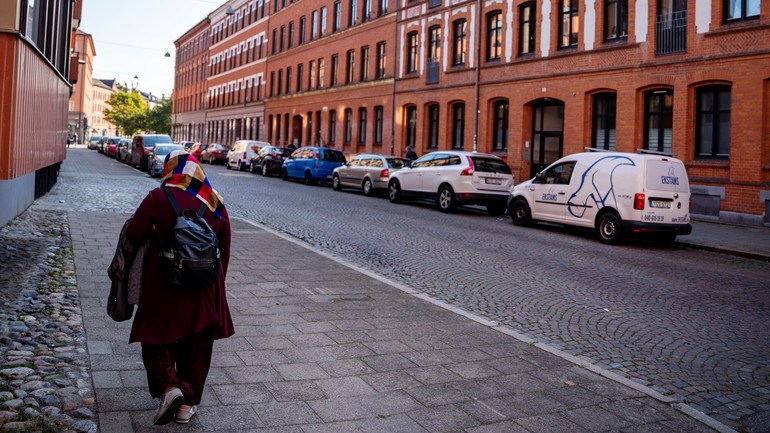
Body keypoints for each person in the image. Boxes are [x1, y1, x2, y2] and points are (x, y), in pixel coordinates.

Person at [125, 150, 233, 425]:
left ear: (170, 170)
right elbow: (225, 247)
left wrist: (154, 228)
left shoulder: (158, 197)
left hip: (163, 283)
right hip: (204, 286)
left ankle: (170, 388)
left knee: (155, 338)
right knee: (198, 345)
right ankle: (188, 406)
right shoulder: (213, 200)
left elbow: (135, 233)